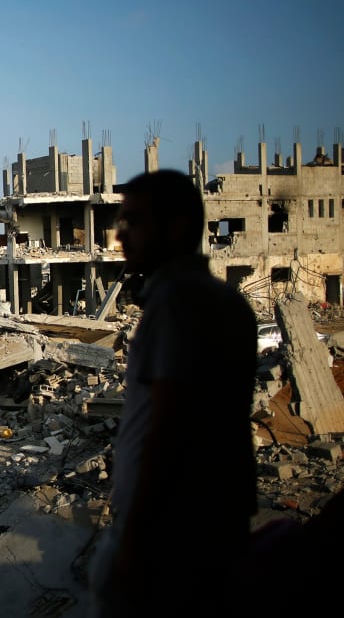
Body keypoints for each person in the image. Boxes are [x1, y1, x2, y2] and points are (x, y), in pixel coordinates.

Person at [88, 170, 258, 617]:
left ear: (177, 226)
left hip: (171, 530)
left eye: (134, 221)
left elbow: (170, 428)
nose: (120, 235)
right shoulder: (228, 302)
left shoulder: (176, 303)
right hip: (214, 519)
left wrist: (137, 534)